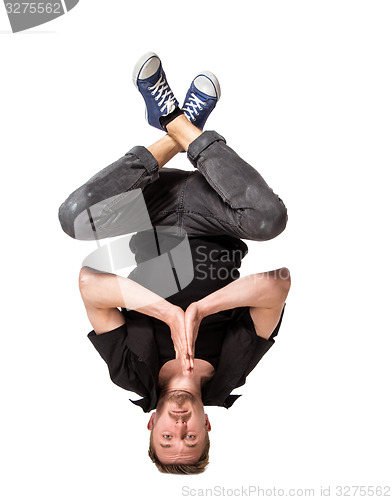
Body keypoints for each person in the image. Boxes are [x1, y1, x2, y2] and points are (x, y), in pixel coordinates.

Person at [58, 52, 291, 474]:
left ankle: (172, 128)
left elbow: (90, 283)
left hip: (153, 210)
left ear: (151, 424)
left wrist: (166, 312)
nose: (179, 427)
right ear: (206, 425)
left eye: (167, 437)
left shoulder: (130, 373)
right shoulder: (232, 373)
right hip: (217, 211)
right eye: (190, 437)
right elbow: (277, 284)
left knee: (73, 219)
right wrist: (201, 310)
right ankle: (186, 129)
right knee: (269, 220)